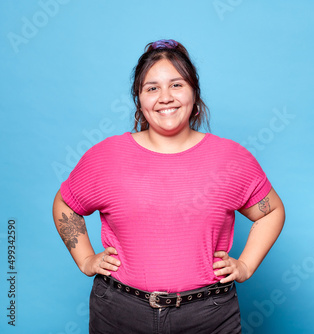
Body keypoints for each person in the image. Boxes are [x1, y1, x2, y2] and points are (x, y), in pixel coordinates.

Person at [52, 39, 285, 334]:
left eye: (176, 85)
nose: (165, 97)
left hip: (208, 315)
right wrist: (85, 258)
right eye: (152, 88)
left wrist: (246, 265)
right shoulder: (106, 157)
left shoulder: (230, 159)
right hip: (119, 312)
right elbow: (66, 205)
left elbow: (271, 211)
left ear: (194, 93)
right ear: (139, 99)